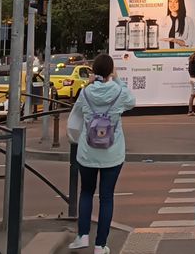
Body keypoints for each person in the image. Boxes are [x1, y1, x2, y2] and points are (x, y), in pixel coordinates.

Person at [67, 54, 136, 253]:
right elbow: (132, 102)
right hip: (112, 153)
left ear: (94, 71)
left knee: (86, 192)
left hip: (87, 151)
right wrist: (118, 79)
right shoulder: (118, 91)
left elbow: (77, 113)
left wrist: (89, 84)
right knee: (107, 197)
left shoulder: (86, 92)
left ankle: (82, 236)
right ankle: (100, 245)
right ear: (111, 71)